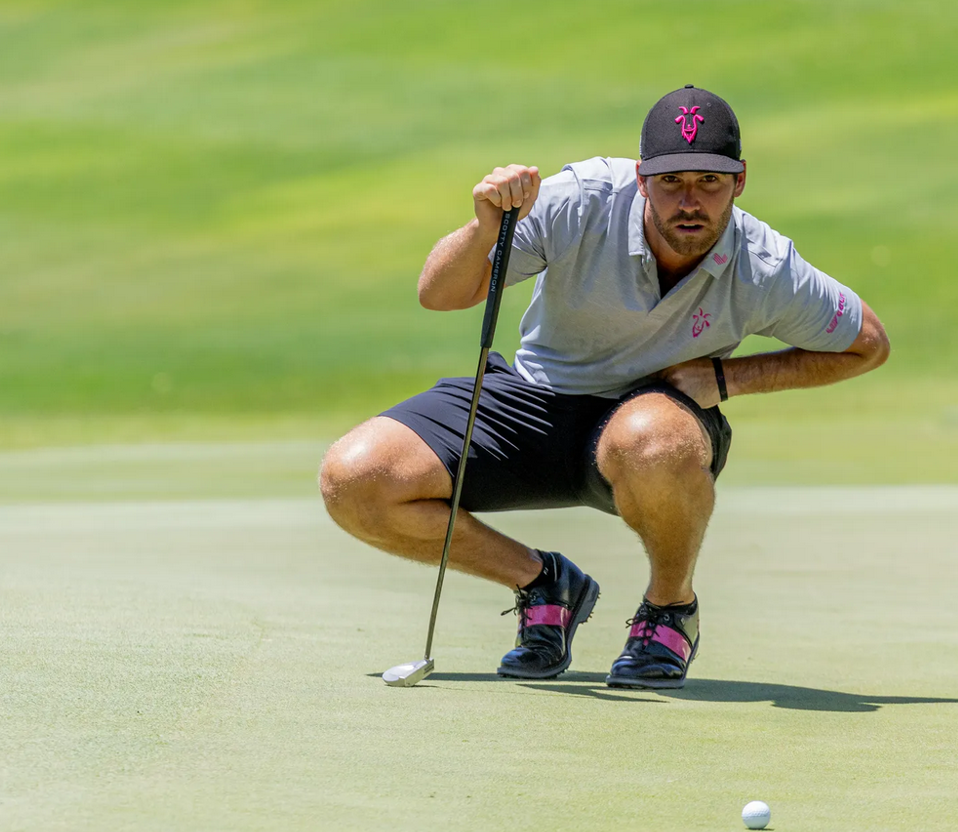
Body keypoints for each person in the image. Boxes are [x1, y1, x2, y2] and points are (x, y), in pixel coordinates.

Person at [319, 85, 890, 689]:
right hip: (533, 400)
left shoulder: (764, 264)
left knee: (654, 438)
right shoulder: (579, 201)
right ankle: (543, 584)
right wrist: (484, 228)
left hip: (650, 424)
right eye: (671, 182)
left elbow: (868, 343)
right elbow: (439, 294)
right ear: (642, 178)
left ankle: (670, 612)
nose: (689, 202)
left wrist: (728, 377)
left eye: (709, 181)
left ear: (740, 181)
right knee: (354, 479)